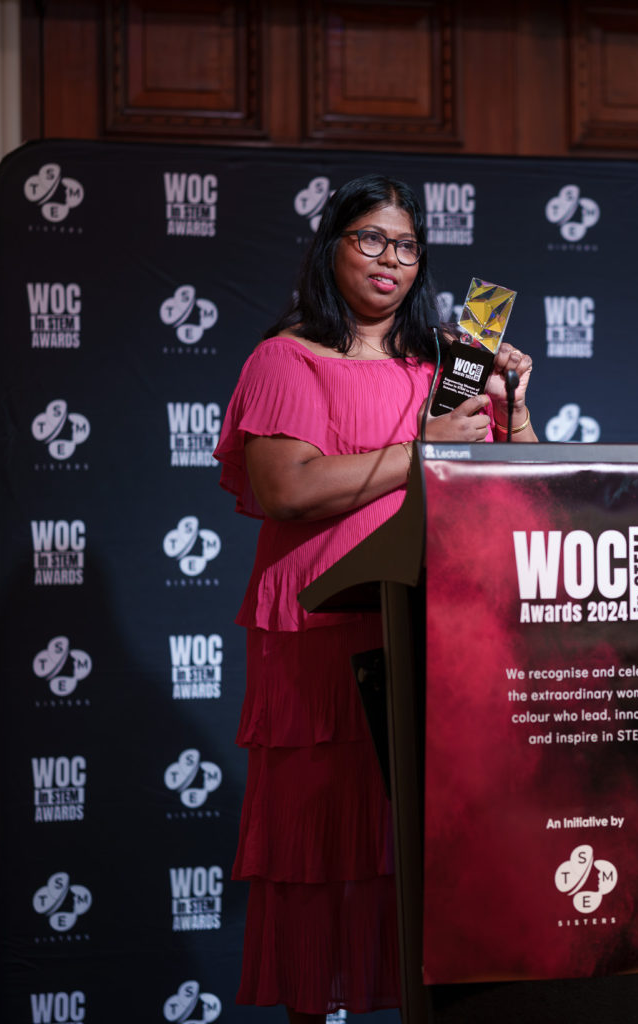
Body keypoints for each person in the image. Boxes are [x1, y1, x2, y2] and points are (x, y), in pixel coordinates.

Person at [214, 173, 537, 1024]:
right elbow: (286, 489)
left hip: (432, 624)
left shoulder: (442, 365)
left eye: (404, 244)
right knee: (322, 841)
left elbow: (514, 480)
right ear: (331, 249)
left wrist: (513, 406)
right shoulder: (285, 359)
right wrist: (419, 447)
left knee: (428, 844)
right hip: (319, 630)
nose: (390, 259)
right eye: (369, 239)